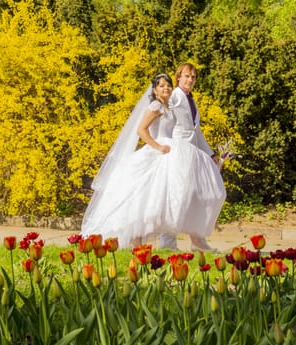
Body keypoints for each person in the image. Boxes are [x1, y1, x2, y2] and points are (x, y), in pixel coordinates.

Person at [80, 72, 226, 250]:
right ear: (155, 90)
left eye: (168, 85)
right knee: (142, 199)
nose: (166, 88)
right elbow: (141, 130)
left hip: (169, 153)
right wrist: (157, 147)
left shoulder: (168, 108)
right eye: (162, 86)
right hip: (157, 152)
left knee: (158, 200)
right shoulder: (156, 106)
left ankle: (161, 243)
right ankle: (137, 243)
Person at [158, 63, 224, 251]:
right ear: (178, 77)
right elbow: (160, 113)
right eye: (187, 76)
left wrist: (211, 153)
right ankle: (168, 242)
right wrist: (161, 143)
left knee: (208, 194)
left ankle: (197, 240)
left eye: (193, 77)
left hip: (193, 154)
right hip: (178, 153)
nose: (190, 80)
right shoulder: (175, 96)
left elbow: (196, 132)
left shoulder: (190, 99)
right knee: (178, 197)